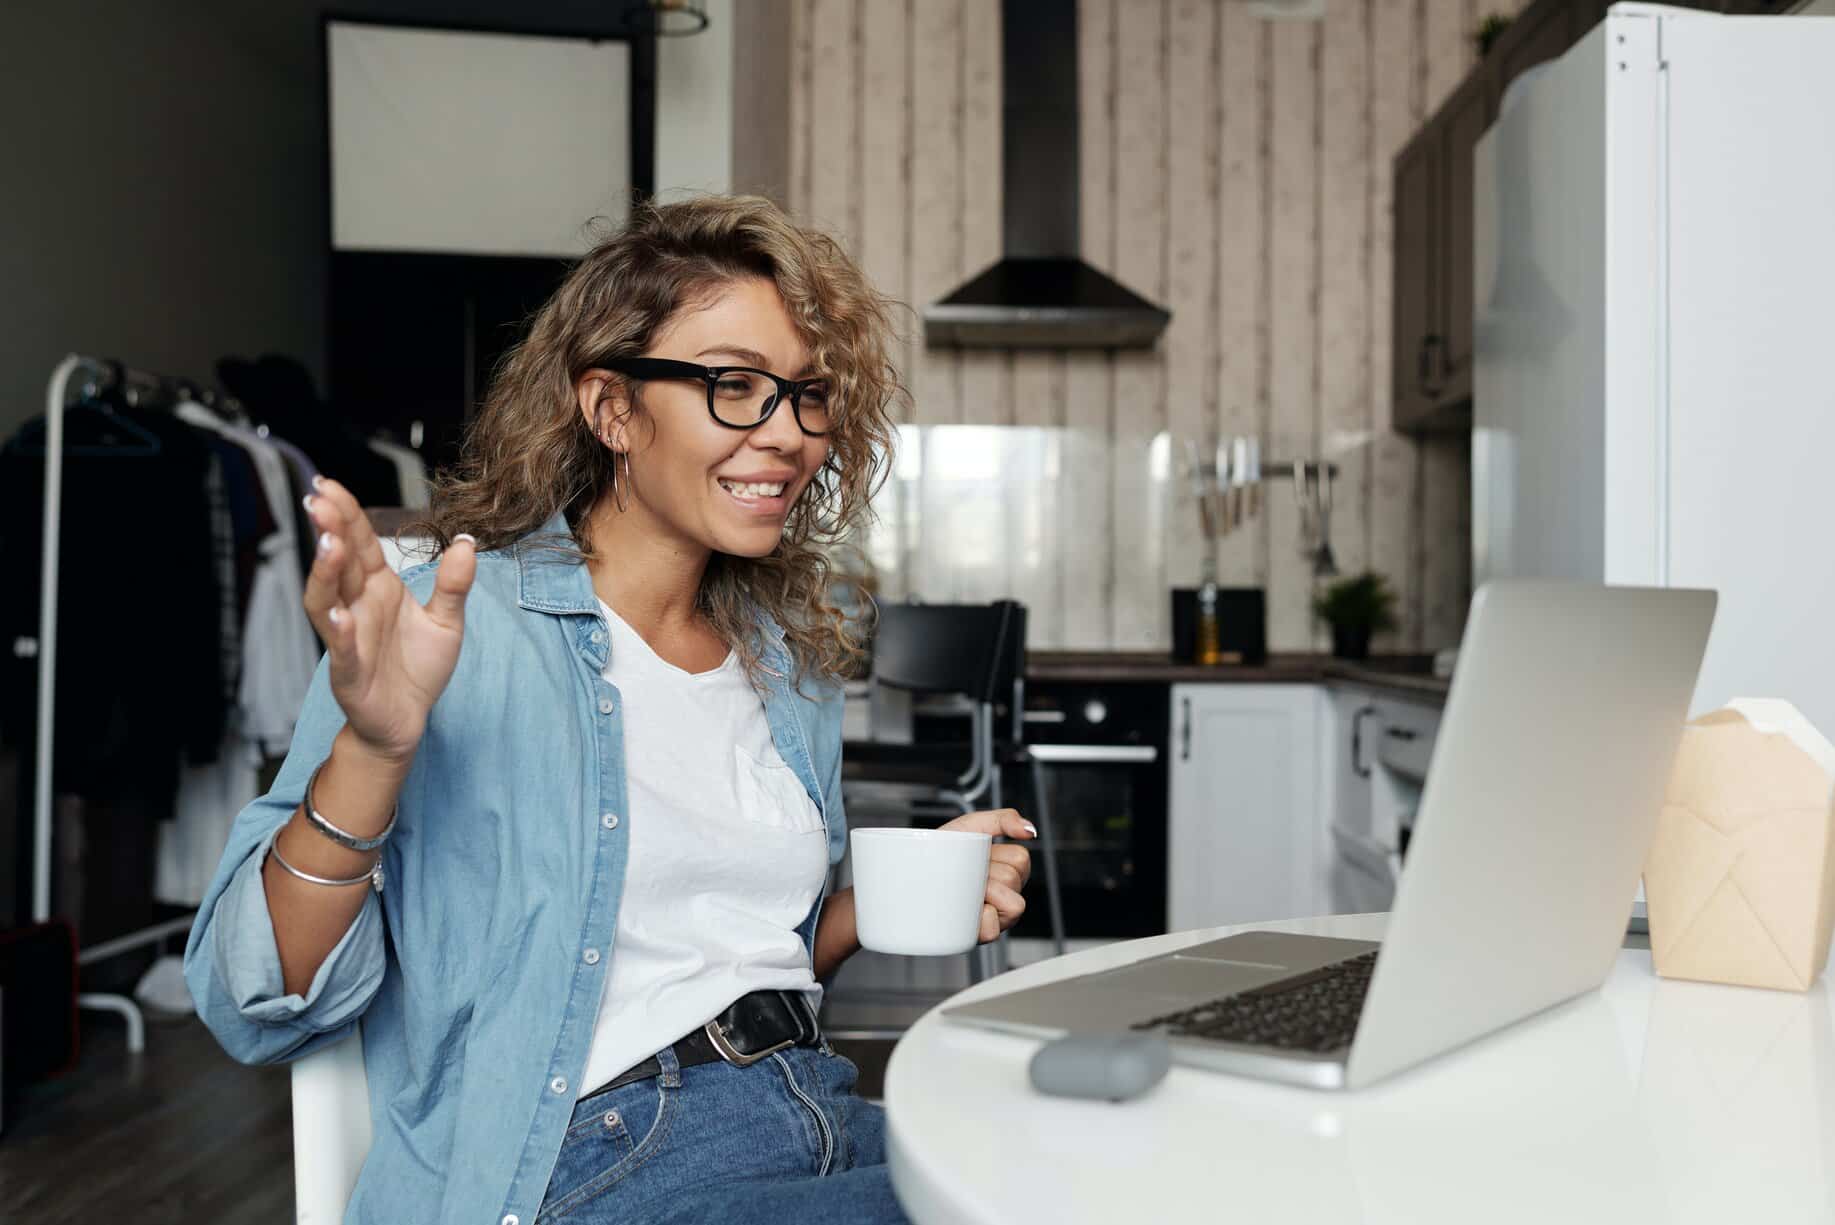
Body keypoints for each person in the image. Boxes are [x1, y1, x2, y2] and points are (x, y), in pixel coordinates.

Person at [184, 195, 1035, 1225]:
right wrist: (373, 747)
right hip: (596, 1167)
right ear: (611, 409)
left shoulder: (786, 667)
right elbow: (249, 1001)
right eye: (734, 386)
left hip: (811, 1106)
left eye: (808, 396)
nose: (788, 435)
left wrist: (870, 908)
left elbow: (715, 961)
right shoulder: (447, 632)